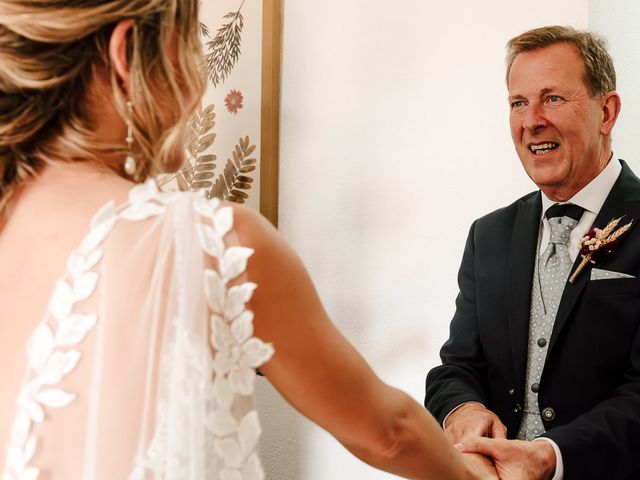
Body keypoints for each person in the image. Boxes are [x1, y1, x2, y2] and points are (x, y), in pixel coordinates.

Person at [0, 1, 498, 479]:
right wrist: (475, 473)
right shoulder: (213, 242)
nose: (199, 77)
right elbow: (387, 433)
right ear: (126, 54)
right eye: (191, 45)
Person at [424, 25, 640, 480]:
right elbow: (457, 366)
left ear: (607, 112)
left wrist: (551, 457)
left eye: (552, 99)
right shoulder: (489, 235)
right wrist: (462, 409)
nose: (531, 121)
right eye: (518, 103)